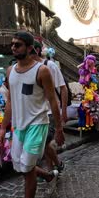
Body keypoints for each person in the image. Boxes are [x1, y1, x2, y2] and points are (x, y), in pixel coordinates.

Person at [0, 31, 64, 198]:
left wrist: (59, 129)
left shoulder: (41, 71)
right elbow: (10, 102)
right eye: (12, 44)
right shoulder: (10, 71)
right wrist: (3, 127)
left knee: (26, 169)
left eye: (17, 45)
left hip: (38, 124)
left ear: (28, 48)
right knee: (21, 167)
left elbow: (52, 101)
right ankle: (50, 176)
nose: (13, 48)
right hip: (19, 127)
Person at [30, 40, 67, 173]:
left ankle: (56, 165)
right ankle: (51, 170)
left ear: (37, 50)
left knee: (44, 142)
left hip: (51, 111)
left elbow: (63, 88)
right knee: (44, 143)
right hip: (37, 113)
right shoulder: (27, 68)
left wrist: (64, 111)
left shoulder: (49, 65)